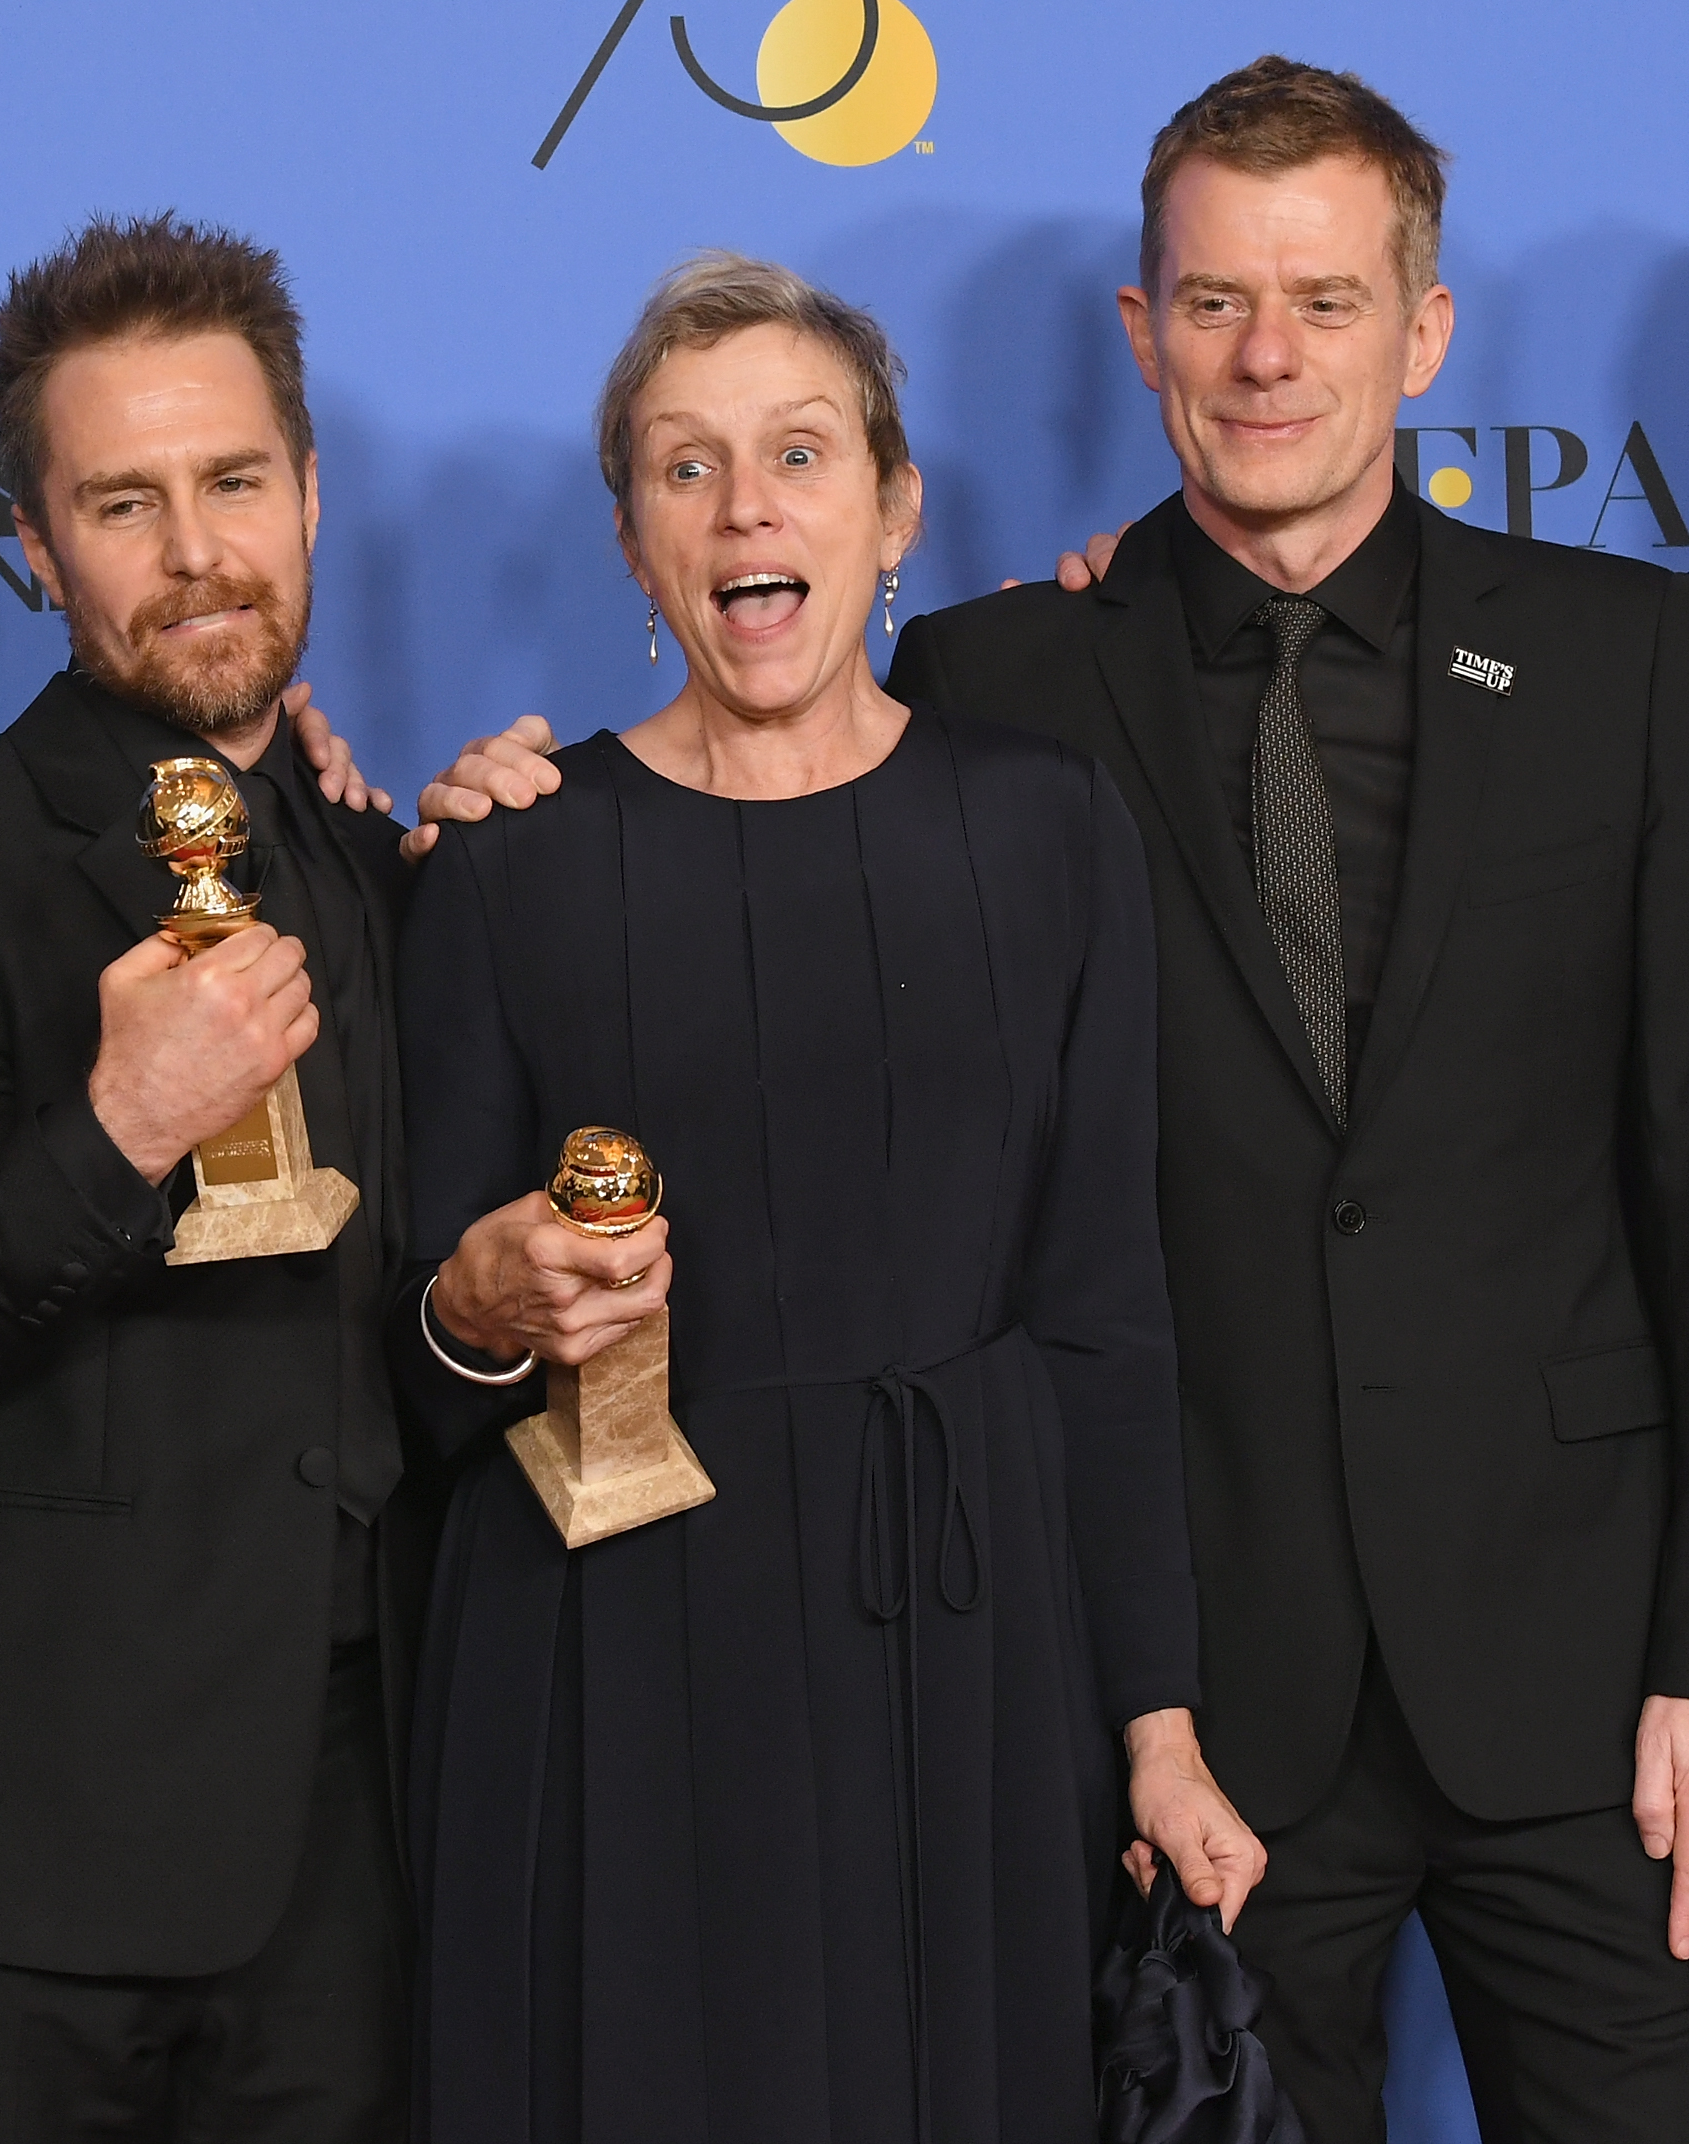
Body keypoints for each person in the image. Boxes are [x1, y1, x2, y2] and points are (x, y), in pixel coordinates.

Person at [447, 59, 1689, 2141]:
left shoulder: (1632, 656)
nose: (1266, 357)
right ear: (1139, 334)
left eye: (1328, 302)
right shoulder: (1002, 690)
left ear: (1426, 332)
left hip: (1588, 1674)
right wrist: (482, 799)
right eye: (1210, 305)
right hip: (1207, 1703)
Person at [391, 251, 1265, 2144]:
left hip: (966, 1650)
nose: (746, 508)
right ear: (632, 541)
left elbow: (1108, 1313)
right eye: (684, 469)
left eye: (798, 452)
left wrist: (1158, 1727)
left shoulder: (1046, 828)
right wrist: (477, 1305)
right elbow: (413, 1345)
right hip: (613, 1655)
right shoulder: (504, 868)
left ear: (896, 508)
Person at [0, 215, 424, 2144]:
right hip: (15, 1875)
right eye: (122, 502)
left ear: (310, 492)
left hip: (346, 1859)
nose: (195, 550)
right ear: (39, 548)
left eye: (233, 481)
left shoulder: (386, 874)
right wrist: (118, 1134)